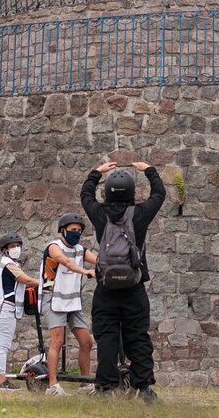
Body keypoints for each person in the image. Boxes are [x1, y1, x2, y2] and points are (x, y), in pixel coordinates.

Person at [80, 161, 166, 402]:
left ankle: (106, 388)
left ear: (107, 192)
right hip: (134, 287)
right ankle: (144, 388)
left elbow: (85, 194)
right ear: (131, 192)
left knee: (106, 336)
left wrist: (96, 171)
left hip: (106, 287)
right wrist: (148, 169)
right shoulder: (139, 215)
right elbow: (159, 193)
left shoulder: (99, 214)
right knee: (137, 336)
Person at [39, 213, 97, 396]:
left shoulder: (80, 249)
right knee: (57, 340)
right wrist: (85, 271)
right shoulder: (54, 247)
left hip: (72, 301)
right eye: (73, 230)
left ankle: (85, 385)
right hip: (53, 299)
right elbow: (65, 261)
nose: (76, 233)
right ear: (63, 230)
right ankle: (53, 386)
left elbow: (99, 260)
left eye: (79, 231)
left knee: (87, 342)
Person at [0, 232, 39, 391]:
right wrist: (45, 283)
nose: (16, 248)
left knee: (1, 346)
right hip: (5, 309)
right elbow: (26, 280)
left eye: (18, 246)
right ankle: (1, 381)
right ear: (5, 250)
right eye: (12, 246)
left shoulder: (9, 263)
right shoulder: (9, 265)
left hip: (5, 309)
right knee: (2, 346)